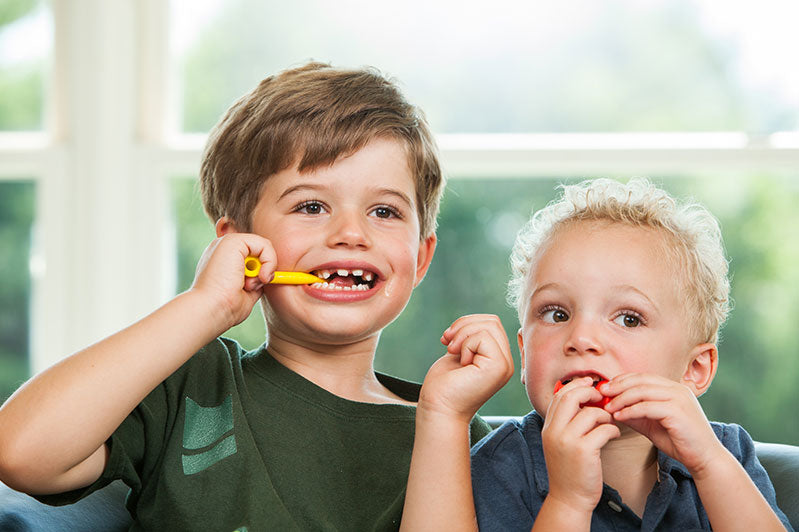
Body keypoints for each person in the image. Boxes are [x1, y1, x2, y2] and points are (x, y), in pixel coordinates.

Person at [0, 62, 492, 530]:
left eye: (384, 212)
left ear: (420, 258)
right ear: (239, 245)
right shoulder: (191, 385)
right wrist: (206, 304)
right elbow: (21, 453)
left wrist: (444, 422)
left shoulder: (456, 427)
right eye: (311, 206)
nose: (351, 233)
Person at [402, 178, 792, 530]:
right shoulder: (500, 466)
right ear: (524, 352)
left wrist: (709, 464)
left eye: (629, 319)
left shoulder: (724, 454)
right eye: (557, 314)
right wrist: (568, 501)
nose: (581, 338)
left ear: (694, 368)